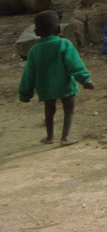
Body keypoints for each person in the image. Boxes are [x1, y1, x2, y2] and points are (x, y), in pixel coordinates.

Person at [19, 10, 94, 145]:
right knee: (69, 111)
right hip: (65, 85)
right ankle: (64, 138)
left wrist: (25, 93)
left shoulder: (34, 51)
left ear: (37, 32)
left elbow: (28, 74)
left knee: (49, 111)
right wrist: (85, 79)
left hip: (46, 88)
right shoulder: (63, 44)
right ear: (59, 29)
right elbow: (74, 64)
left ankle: (50, 137)